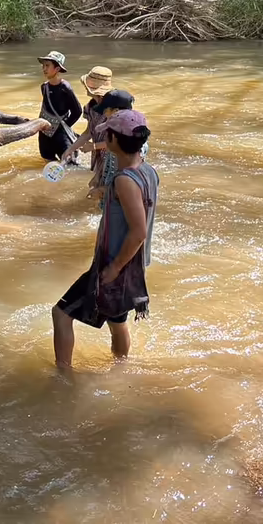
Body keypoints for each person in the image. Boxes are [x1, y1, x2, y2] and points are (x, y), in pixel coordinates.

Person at [51, 110, 159, 369]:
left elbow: (138, 231)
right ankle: (122, 368)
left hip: (114, 264)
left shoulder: (124, 180)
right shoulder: (147, 171)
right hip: (133, 265)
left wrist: (113, 268)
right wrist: (105, 191)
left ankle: (63, 377)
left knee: (61, 314)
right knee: (117, 322)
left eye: (107, 132)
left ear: (113, 141)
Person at [87, 89, 148, 203]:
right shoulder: (116, 138)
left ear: (115, 111)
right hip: (110, 198)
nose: (103, 114)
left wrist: (102, 191)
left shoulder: (130, 143)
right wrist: (97, 177)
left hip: (118, 201)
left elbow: (130, 183)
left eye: (105, 111)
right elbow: (109, 159)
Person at [60, 66, 113, 175]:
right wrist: (70, 150)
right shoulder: (90, 106)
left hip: (115, 157)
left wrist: (93, 146)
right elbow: (89, 132)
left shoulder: (115, 108)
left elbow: (122, 141)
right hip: (98, 155)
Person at [37, 50, 83, 163]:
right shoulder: (44, 87)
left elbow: (77, 111)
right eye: (43, 65)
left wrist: (63, 127)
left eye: (47, 65)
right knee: (47, 160)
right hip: (44, 132)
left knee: (69, 164)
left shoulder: (65, 88)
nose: (44, 69)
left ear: (57, 69)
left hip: (60, 132)